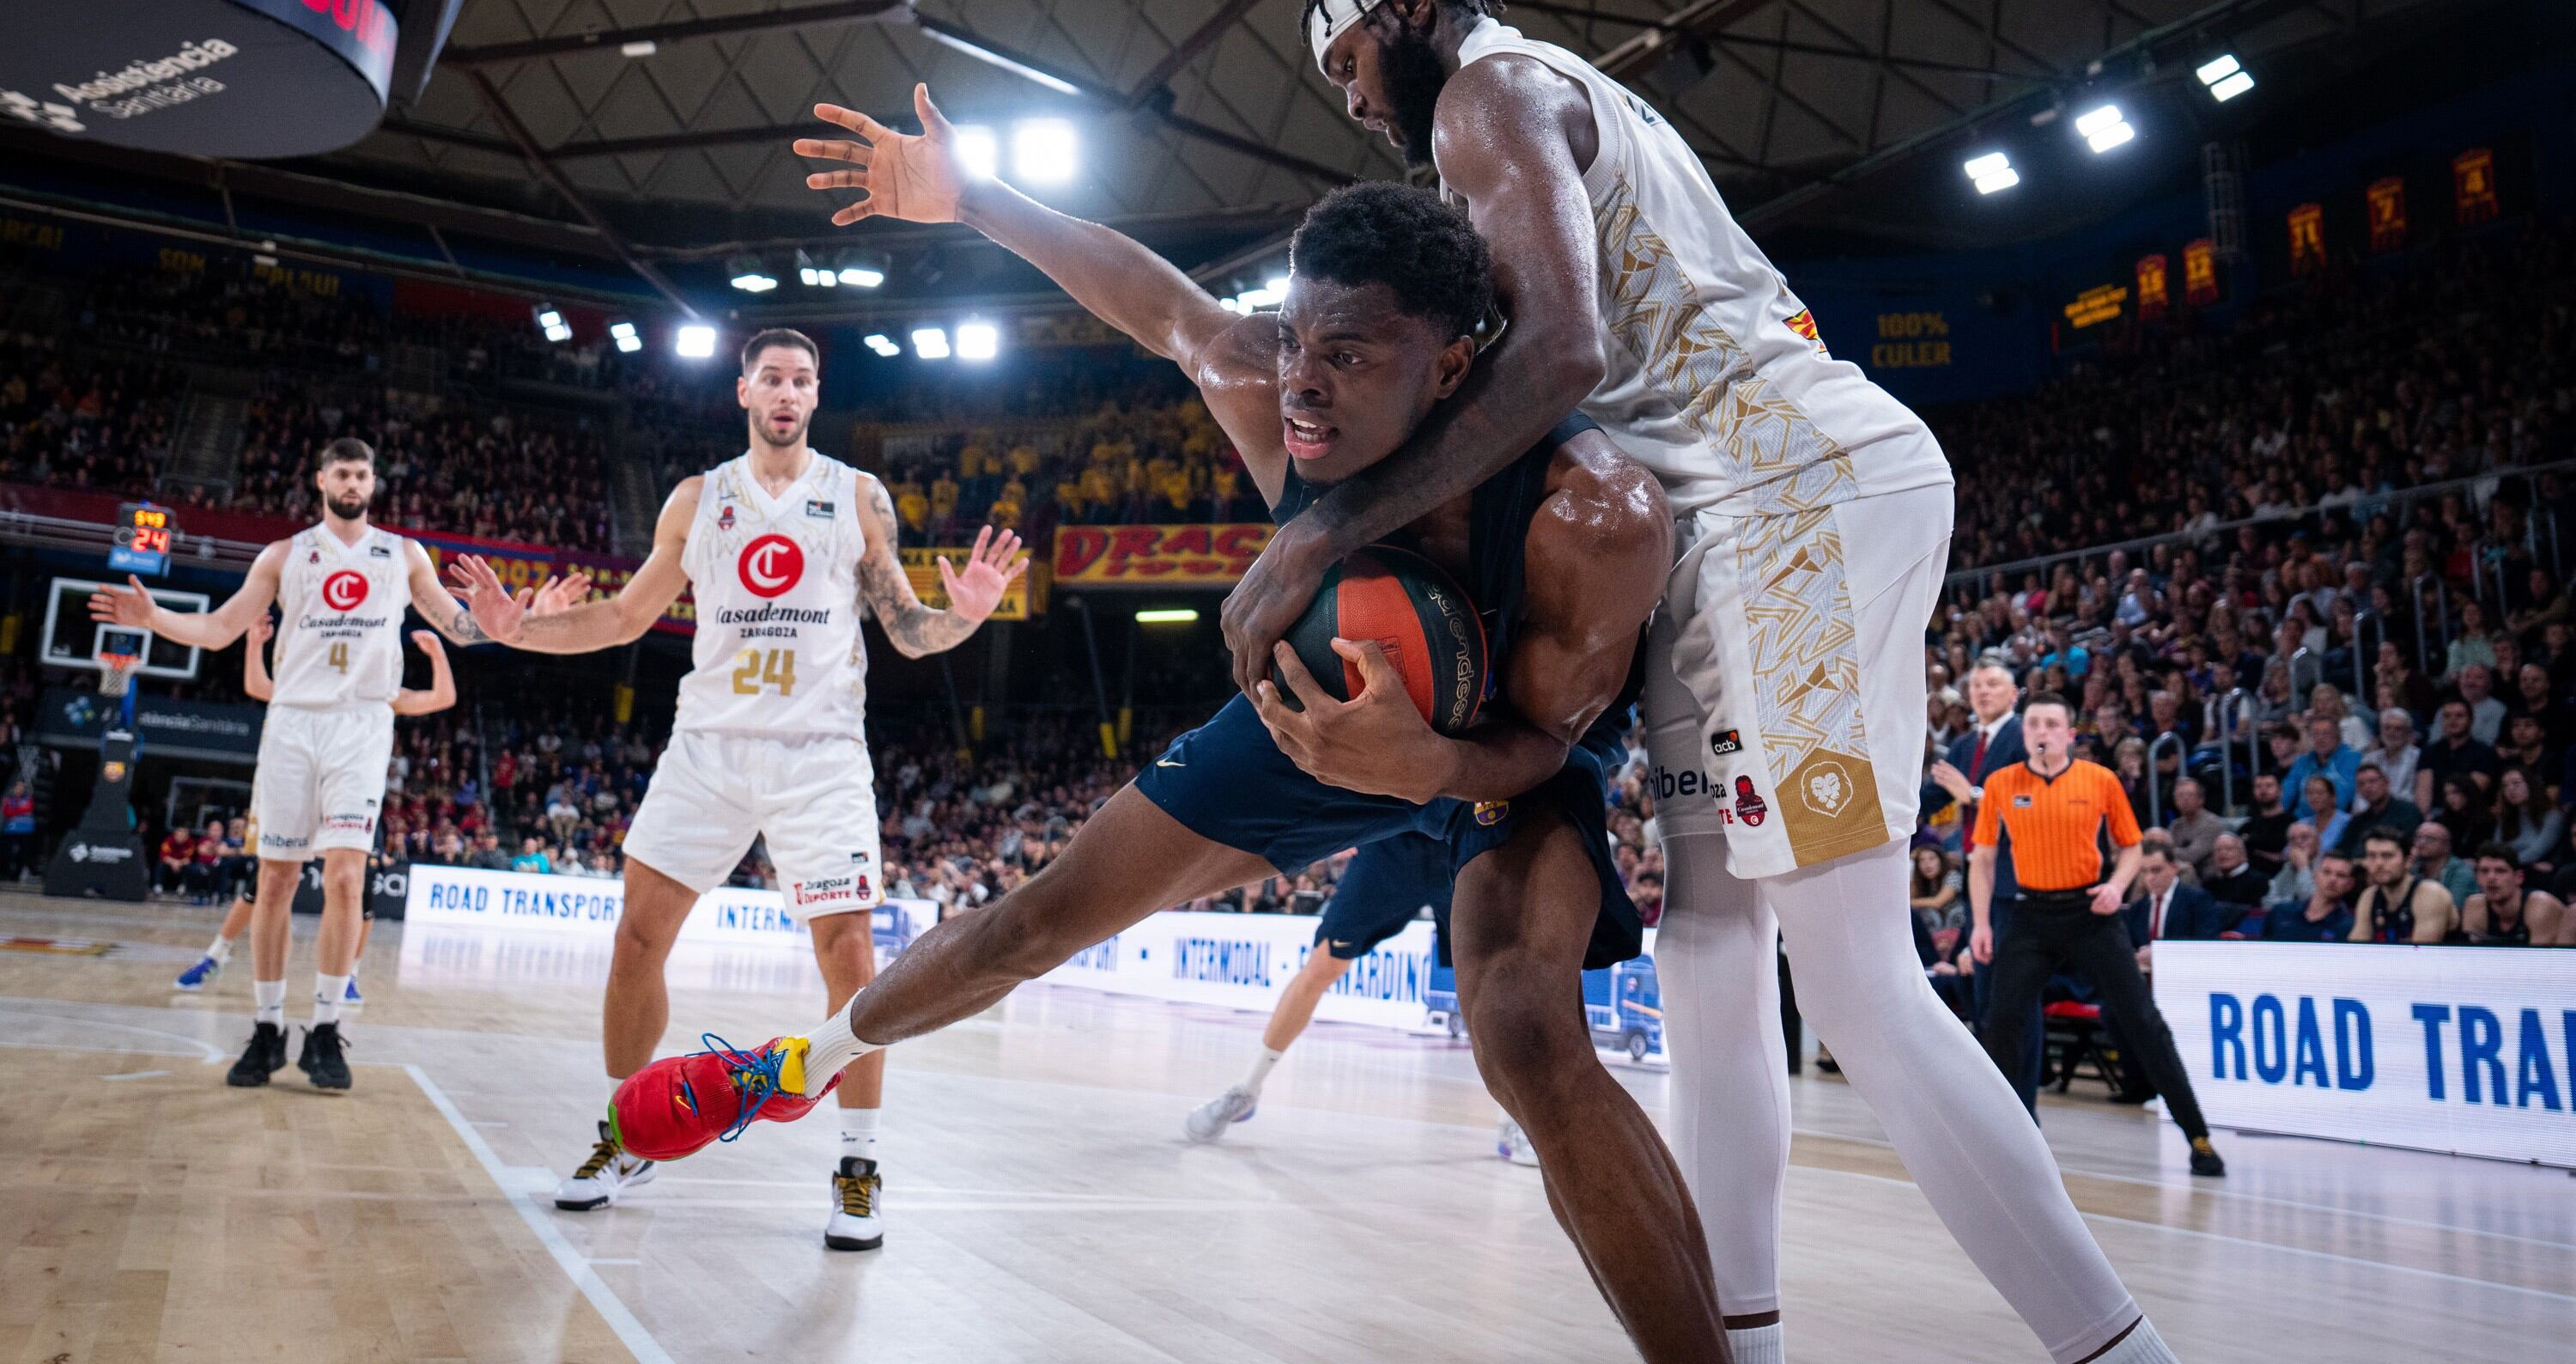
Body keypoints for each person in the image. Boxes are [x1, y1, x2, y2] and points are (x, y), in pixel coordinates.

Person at [1186, 0, 2179, 1364]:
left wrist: (1321, 529)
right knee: (1710, 949)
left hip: (1789, 498)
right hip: (1731, 537)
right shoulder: (1543, 100)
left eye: (1347, 56)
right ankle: (1739, 1344)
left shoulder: (1485, 94)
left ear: (1409, 8)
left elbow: (1565, 352)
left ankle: (2120, 1350)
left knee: (1854, 978)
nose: (1347, 94)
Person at [624, 162, 1730, 1361]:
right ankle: (801, 1063)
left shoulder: (1594, 518)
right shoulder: (1272, 391)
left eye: (1347, 355)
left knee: (1523, 1026)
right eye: (1293, 338)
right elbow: (1159, 306)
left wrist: (1427, 764)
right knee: (1033, 919)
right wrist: (974, 199)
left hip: (1498, 749)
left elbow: (1551, 739)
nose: (1301, 380)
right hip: (1315, 714)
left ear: (1455, 367)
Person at [447, 329, 1026, 1251]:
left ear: (817, 394)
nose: (787, 392)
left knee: (851, 955)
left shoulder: (856, 494)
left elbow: (909, 630)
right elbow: (623, 616)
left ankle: (859, 1166)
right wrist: (515, 631)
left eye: (803, 379)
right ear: (744, 391)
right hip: (708, 748)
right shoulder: (698, 498)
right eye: (772, 378)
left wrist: (965, 614)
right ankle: (628, 1135)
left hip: (819, 752)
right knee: (637, 939)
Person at [92, 435, 499, 1092]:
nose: (353, 483)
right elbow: (220, 628)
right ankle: (267, 1027)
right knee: (276, 880)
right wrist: (155, 617)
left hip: (362, 724)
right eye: (343, 473)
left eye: (362, 474)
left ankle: (327, 1029)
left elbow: (459, 626)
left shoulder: (403, 554)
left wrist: (507, 622)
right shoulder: (283, 555)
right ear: (321, 481)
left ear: (374, 484)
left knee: (346, 878)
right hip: (292, 722)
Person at [173, 595, 547, 995]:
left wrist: (438, 654)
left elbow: (442, 698)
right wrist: (253, 645)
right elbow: (259, 687)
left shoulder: (378, 692)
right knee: (263, 883)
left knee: (360, 893)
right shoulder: (312, 683)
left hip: (353, 799)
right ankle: (216, 954)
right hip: (306, 791)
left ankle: (348, 974)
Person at [1969, 696, 2225, 1178]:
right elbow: (1982, 859)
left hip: (2090, 912)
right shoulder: (2002, 783)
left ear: (2069, 734)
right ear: (2024, 733)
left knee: (2143, 1020)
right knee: (2001, 1022)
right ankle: (2009, 1136)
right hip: (2030, 915)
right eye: (2034, 723)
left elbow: (2132, 846)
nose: (2042, 730)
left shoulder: (2100, 780)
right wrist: (1981, 924)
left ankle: (2199, 1137)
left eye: (2052, 723)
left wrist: (2117, 886)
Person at [1182, 833, 1458, 1144]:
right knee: (1322, 967)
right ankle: (1247, 1089)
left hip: (1465, 844)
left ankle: (1506, 1113)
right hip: (1391, 847)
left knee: (1487, 980)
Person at [1925, 661, 2038, 1098]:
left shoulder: (2024, 736)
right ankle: (1998, 1099)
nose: (1983, 691)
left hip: (2015, 880)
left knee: (2016, 996)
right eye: (1976, 685)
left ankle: (2022, 1104)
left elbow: (2029, 804)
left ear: (2014, 693)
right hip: (1978, 879)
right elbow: (1930, 795)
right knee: (1983, 992)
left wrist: (1972, 795)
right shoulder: (1965, 743)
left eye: (1993, 684)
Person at [2122, 839, 2228, 962]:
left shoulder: (2198, 900)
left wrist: (2159, 952)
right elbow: (2128, 947)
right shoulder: (2137, 908)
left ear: (2174, 868)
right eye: (2144, 871)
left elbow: (2207, 944)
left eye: (2156, 870)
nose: (2149, 878)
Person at [2349, 827, 2457, 944]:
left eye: (2387, 856)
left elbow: (2422, 952)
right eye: (2372, 856)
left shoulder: (2431, 894)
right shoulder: (2369, 897)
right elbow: (2356, 948)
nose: (2379, 863)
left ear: (2408, 861)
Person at [2459, 843, 2565, 944]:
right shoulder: (2475, 905)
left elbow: (2540, 957)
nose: (2491, 877)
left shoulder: (2541, 906)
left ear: (2519, 877)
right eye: (2484, 871)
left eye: (2500, 871)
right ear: (2477, 877)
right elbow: (2473, 955)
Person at [2331, 764, 2423, 861]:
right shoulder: (2357, 822)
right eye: (2361, 784)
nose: (2367, 787)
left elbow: (2411, 847)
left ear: (2386, 783)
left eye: (2372, 781)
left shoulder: (2408, 812)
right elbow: (2341, 851)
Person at [2258, 852, 2356, 941]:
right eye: (2326, 872)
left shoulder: (2350, 926)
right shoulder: (2281, 912)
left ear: (2350, 884)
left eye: (2341, 875)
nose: (2332, 879)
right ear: (2315, 874)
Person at [2163, 779, 2222, 876]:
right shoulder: (2175, 825)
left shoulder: (2211, 824)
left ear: (2201, 799)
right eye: (2180, 795)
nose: (2185, 799)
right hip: (2181, 871)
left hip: (2207, 876)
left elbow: (2192, 855)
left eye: (2190, 795)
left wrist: (2164, 852)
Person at [2409, 820, 2474, 907]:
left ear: (2447, 846)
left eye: (2430, 839)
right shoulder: (2414, 866)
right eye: (2418, 837)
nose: (2422, 842)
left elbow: (2454, 906)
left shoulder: (2461, 872)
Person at [2199, 832, 2267, 911]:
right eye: (2218, 850)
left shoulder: (2259, 881)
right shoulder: (2210, 884)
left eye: (2229, 849)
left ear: (2243, 855)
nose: (2223, 853)